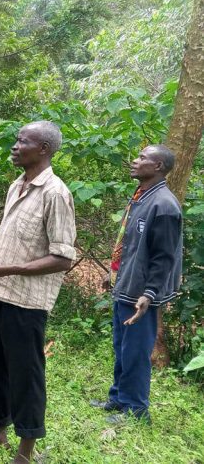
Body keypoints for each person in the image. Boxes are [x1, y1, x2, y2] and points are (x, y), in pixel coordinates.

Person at [0, 121, 76, 464]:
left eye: (22, 141)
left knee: (26, 374)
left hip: (26, 301)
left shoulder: (56, 194)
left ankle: (25, 453)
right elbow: (16, 235)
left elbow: (62, 258)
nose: (15, 146)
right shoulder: (17, 185)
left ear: (44, 149)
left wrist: (1, 269)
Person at [90, 145, 182, 424]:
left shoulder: (164, 205)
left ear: (158, 166)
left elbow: (164, 256)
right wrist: (114, 272)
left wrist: (150, 293)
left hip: (141, 293)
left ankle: (136, 409)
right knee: (122, 346)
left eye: (142, 158)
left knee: (136, 351)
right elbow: (131, 243)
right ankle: (119, 398)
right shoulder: (142, 196)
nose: (135, 160)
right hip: (126, 284)